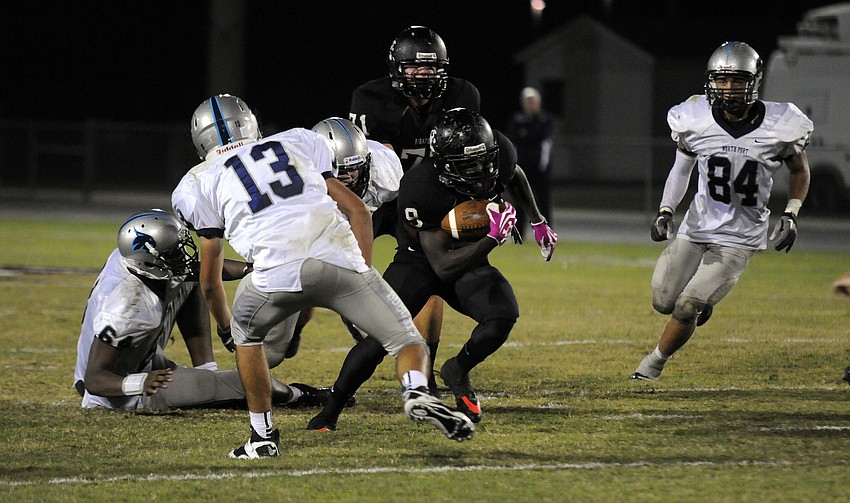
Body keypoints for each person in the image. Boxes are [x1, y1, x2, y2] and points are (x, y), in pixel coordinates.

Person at [172, 95, 474, 459]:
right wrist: (362, 276)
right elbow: (358, 209)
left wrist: (226, 328)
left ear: (200, 140)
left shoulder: (196, 182)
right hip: (339, 261)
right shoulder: (298, 139)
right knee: (408, 340)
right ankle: (416, 391)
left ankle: (262, 437)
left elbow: (209, 282)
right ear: (251, 123)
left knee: (247, 338)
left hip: (273, 277)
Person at [308, 108, 558, 430]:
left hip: (466, 257)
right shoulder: (420, 186)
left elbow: (513, 173)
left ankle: (457, 370)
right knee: (379, 339)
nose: (479, 171)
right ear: (444, 164)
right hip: (420, 262)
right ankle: (330, 411)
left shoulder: (499, 154)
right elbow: (441, 266)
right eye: (467, 164)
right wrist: (492, 238)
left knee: (503, 315)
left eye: (482, 161)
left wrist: (537, 221)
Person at [630, 41, 812, 381]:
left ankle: (652, 365)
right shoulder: (695, 118)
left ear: (754, 82)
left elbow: (800, 171)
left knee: (686, 306)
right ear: (710, 81)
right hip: (696, 227)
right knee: (663, 301)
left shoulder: (780, 124)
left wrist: (791, 212)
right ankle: (704, 302)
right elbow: (681, 169)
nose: (729, 88)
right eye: (722, 80)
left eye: (738, 80)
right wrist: (666, 210)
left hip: (739, 237)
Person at [73, 210, 327, 410]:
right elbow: (94, 378)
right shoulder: (129, 307)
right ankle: (300, 395)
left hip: (140, 357)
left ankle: (206, 367)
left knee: (190, 279)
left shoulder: (132, 258)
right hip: (119, 389)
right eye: (174, 253)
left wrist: (252, 269)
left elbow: (197, 270)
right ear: (149, 262)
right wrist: (140, 382)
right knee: (243, 384)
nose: (184, 255)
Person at [348, 25, 482, 394]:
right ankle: (348, 312)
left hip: (427, 197)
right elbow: (378, 164)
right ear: (397, 69)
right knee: (342, 260)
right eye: (415, 68)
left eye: (431, 67)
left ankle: (426, 367)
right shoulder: (371, 98)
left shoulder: (462, 95)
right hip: (380, 196)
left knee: (430, 276)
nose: (423, 75)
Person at [504, 87, 555, 239]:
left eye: (532, 101)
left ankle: (547, 234)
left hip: (540, 168)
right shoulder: (517, 119)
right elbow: (514, 140)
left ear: (538, 102)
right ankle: (519, 234)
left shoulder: (545, 119)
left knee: (543, 202)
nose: (530, 104)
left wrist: (527, 135)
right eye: (527, 101)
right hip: (522, 167)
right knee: (520, 201)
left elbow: (543, 139)